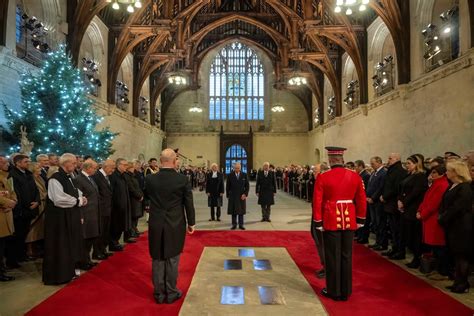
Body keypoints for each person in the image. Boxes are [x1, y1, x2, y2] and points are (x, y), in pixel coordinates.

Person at [313, 146, 366, 301]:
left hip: (330, 219)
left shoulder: (323, 176)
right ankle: (346, 291)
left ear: (330, 160)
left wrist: (318, 220)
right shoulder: (355, 176)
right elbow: (361, 199)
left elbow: (317, 201)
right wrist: (361, 218)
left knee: (332, 256)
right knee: (346, 255)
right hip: (349, 218)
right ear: (342, 160)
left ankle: (333, 290)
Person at [146, 148, 195, 304]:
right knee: (172, 258)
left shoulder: (149, 179)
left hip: (156, 223)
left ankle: (159, 294)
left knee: (157, 257)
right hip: (175, 223)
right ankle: (172, 292)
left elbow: (146, 198)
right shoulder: (182, 179)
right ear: (174, 161)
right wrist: (191, 222)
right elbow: (188, 203)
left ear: (161, 161)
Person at [43, 153, 87, 285]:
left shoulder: (69, 177)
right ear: (65, 163)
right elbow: (58, 199)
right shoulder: (55, 178)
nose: (76, 165)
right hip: (59, 220)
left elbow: (74, 191)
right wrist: (78, 200)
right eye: (73, 163)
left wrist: (81, 198)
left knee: (69, 245)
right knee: (60, 246)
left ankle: (69, 272)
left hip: (69, 216)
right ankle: (59, 275)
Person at [439, 160, 472, 293]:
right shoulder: (453, 185)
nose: (446, 173)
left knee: (462, 255)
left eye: (448, 170)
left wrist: (444, 217)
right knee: (456, 255)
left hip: (461, 226)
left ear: (455, 172)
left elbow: (458, 207)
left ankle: (462, 283)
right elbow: (445, 202)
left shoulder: (464, 187)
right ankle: (457, 281)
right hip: (452, 225)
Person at [6, 154, 40, 268]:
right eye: (26, 162)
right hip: (21, 211)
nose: (28, 163)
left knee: (24, 234)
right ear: (18, 163)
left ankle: (21, 255)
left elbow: (36, 190)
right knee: (17, 235)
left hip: (30, 209)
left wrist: (37, 201)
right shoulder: (13, 175)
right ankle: (13, 259)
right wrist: (26, 205)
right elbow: (16, 193)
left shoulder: (29, 174)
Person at [416, 165, 450, 275]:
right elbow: (425, 199)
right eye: (432, 172)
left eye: (434, 172)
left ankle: (441, 271)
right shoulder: (436, 183)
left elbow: (434, 204)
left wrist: (422, 214)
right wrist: (419, 210)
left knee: (439, 246)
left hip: (434, 219)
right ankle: (435, 269)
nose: (432, 174)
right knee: (434, 247)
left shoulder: (442, 185)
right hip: (428, 218)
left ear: (441, 173)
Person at [397, 155, 428, 268]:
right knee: (407, 233)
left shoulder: (420, 176)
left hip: (413, 208)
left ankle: (417, 258)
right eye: (406, 163)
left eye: (409, 163)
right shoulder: (409, 175)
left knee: (415, 235)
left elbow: (415, 193)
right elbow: (401, 189)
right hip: (405, 208)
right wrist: (399, 200)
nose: (407, 165)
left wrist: (403, 202)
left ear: (416, 164)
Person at [73, 159, 100, 270]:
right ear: (88, 168)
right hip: (85, 213)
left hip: (93, 212)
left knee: (90, 238)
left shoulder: (89, 178)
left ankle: (87, 259)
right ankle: (82, 261)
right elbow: (78, 197)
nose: (96, 170)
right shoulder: (79, 179)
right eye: (94, 168)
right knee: (85, 238)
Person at [380, 153, 407, 259]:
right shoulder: (392, 170)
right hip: (389, 204)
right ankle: (395, 248)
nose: (388, 160)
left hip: (393, 203)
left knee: (397, 229)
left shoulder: (399, 171)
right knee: (393, 229)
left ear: (397, 159)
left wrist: (385, 196)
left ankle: (400, 251)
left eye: (390, 158)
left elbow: (395, 188)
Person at [91, 159, 115, 259]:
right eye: (112, 168)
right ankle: (97, 253)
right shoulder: (97, 176)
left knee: (105, 231)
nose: (113, 170)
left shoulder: (106, 176)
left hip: (107, 209)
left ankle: (103, 250)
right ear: (106, 166)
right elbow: (96, 193)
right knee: (100, 232)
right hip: (101, 209)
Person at [109, 158, 133, 250]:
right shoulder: (113, 176)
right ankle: (113, 243)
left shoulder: (123, 175)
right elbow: (112, 192)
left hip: (124, 204)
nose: (126, 167)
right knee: (115, 226)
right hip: (116, 206)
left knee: (121, 225)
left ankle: (116, 242)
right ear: (118, 165)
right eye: (124, 165)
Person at [25, 163, 48, 258]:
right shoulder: (31, 179)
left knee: (40, 230)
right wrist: (46, 195)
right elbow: (37, 192)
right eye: (38, 167)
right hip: (37, 205)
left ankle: (36, 248)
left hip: (44, 205)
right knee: (32, 230)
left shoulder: (40, 178)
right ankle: (29, 250)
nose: (40, 169)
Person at [0, 155, 17, 281]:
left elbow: (11, 191)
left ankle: (2, 270)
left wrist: (13, 202)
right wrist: (8, 203)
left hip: (6, 213)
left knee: (3, 244)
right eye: (5, 163)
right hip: (2, 213)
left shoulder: (5, 177)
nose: (8, 165)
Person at [365, 157, 387, 248]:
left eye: (373, 163)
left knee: (380, 223)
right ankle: (378, 241)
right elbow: (370, 186)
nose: (371, 165)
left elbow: (380, 188)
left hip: (378, 202)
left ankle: (382, 243)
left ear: (379, 162)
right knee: (375, 223)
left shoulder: (383, 173)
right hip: (371, 201)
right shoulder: (374, 172)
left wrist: (373, 198)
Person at [226, 162, 249, 230]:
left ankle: (241, 224)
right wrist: (228, 195)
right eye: (236, 168)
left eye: (238, 168)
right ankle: (234, 224)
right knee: (233, 211)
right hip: (233, 195)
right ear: (233, 168)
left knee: (241, 211)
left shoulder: (244, 175)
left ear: (240, 168)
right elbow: (228, 186)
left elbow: (247, 186)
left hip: (241, 195)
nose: (237, 169)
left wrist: (245, 194)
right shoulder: (230, 175)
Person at [124, 162, 144, 239]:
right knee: (133, 216)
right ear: (128, 168)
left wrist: (141, 195)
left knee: (136, 216)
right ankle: (131, 232)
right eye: (132, 168)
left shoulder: (133, 176)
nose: (133, 169)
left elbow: (137, 187)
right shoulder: (127, 176)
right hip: (133, 199)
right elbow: (131, 188)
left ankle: (134, 230)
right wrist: (139, 196)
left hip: (137, 198)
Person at [354, 160, 371, 244]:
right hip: (358, 200)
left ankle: (364, 237)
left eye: (356, 166)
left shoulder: (366, 175)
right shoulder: (359, 175)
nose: (355, 168)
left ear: (361, 166)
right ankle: (360, 236)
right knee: (359, 219)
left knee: (364, 220)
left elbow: (366, 188)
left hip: (364, 200)